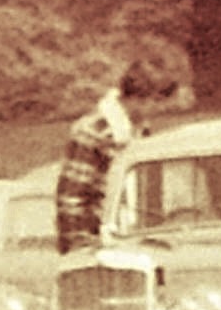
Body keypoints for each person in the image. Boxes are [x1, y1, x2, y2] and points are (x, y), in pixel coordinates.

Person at [53, 58, 170, 252]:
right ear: (137, 98)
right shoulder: (92, 132)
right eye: (156, 101)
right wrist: (80, 246)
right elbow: (71, 197)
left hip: (135, 240)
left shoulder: (141, 131)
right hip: (95, 244)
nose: (160, 109)